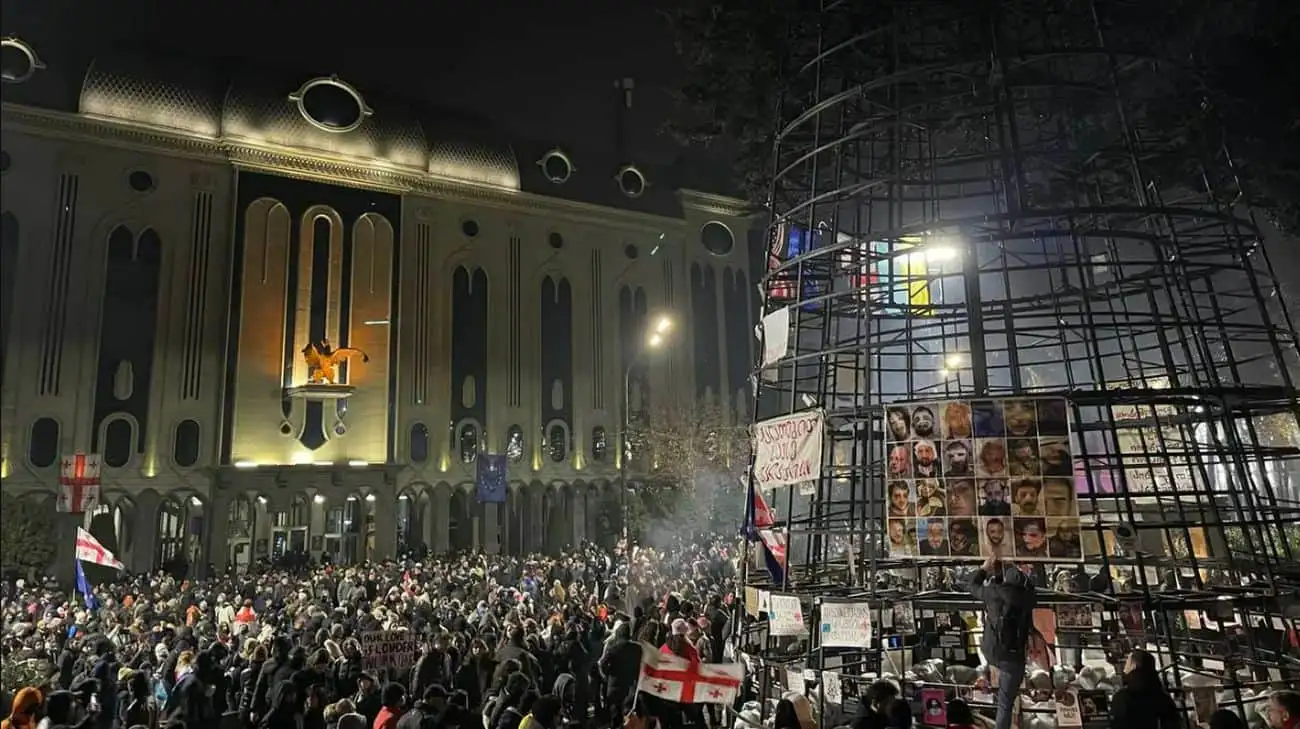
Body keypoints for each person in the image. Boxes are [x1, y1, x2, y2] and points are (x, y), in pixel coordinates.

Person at [969, 555, 1036, 729]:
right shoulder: (1027, 596)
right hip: (1013, 656)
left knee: (1001, 696)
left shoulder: (992, 592)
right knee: (1006, 703)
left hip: (992, 651)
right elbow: (1030, 587)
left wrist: (984, 569)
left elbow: (973, 586)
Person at [1107, 649, 1179, 729]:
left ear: (1133, 666)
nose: (1124, 666)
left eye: (1127, 662)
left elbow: (1116, 723)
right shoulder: (1164, 698)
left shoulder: (1122, 697)